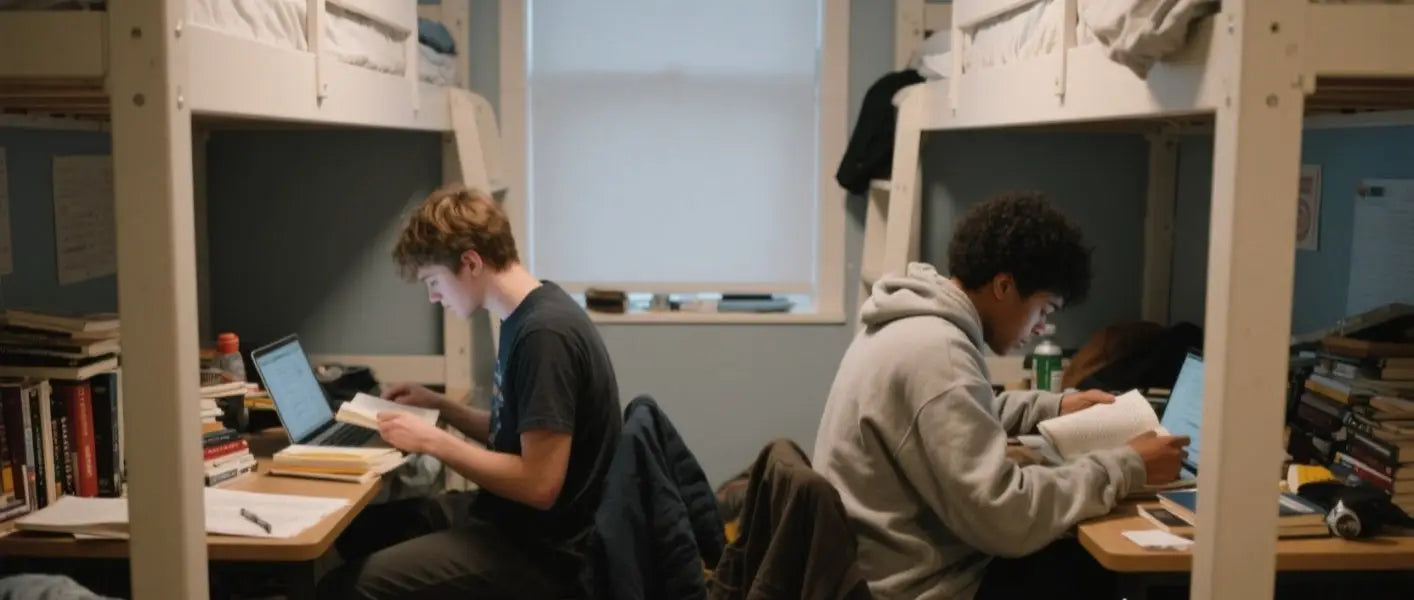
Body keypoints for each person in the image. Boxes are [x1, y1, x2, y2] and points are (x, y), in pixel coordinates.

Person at [812, 191, 1189, 600]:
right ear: (1004, 286)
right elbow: (1006, 517)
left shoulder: (911, 326)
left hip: (882, 570)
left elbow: (958, 410)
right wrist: (1128, 465)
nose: (1041, 328)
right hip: (917, 588)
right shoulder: (939, 354)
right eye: (1044, 310)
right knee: (1095, 569)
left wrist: (1055, 405)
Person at [317, 185, 623, 599]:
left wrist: (435, 442)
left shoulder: (544, 336)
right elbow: (516, 435)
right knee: (361, 532)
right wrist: (441, 407)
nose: (433, 296)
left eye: (433, 280)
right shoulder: (528, 314)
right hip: (510, 520)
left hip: (544, 553)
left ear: (471, 263)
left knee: (345, 589)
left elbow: (539, 483)